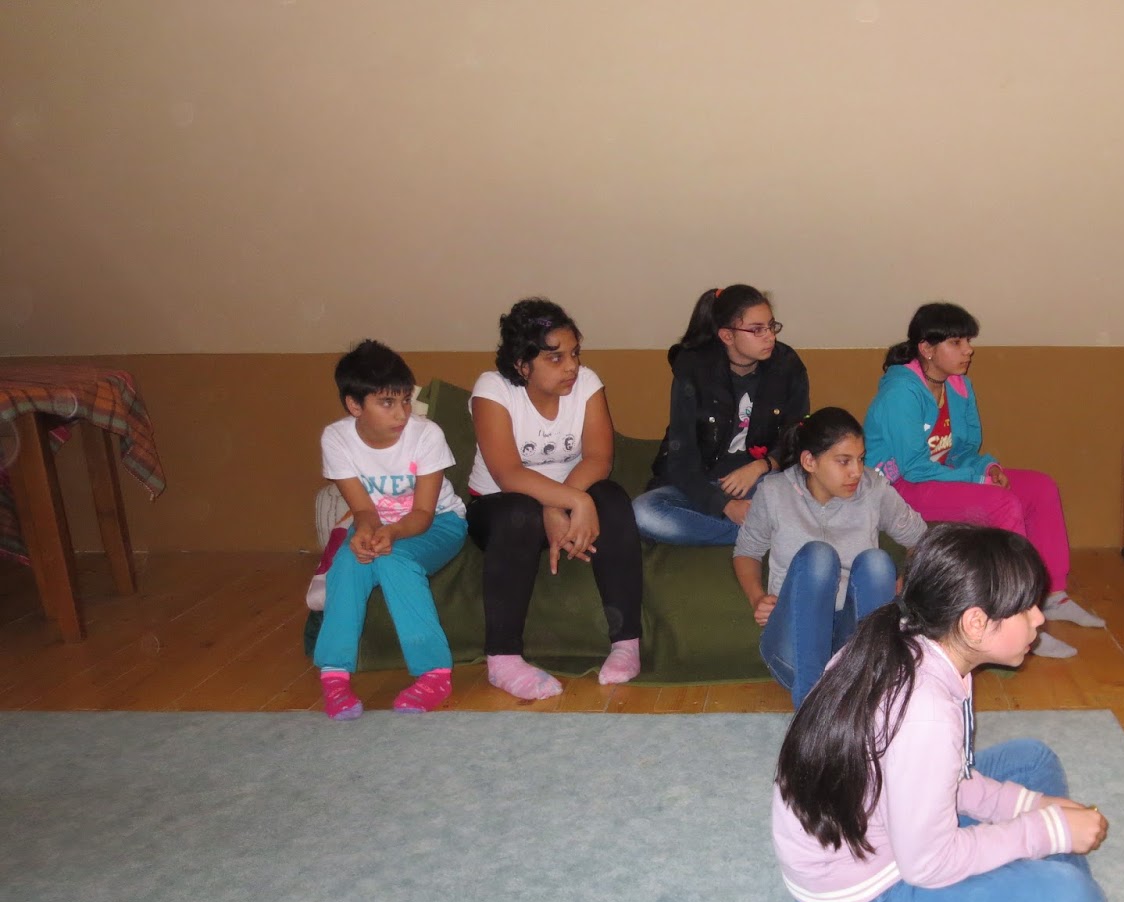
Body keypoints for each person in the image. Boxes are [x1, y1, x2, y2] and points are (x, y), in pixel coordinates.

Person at [771, 523, 1124, 902]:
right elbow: (928, 864)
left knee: (1032, 761)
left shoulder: (917, 643)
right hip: (860, 899)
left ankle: (1030, 895)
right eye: (1025, 608)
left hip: (889, 822)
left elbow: (947, 776)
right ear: (975, 623)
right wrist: (1044, 831)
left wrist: (1030, 806)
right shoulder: (924, 713)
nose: (1039, 619)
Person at [863, 302, 1104, 659]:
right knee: (1002, 504)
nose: (968, 350)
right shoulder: (901, 392)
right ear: (926, 349)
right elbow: (913, 468)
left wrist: (987, 468)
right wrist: (977, 478)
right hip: (899, 489)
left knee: (1040, 488)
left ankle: (1053, 595)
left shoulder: (958, 386)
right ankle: (1015, 615)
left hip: (941, 477)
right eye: (956, 343)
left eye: (968, 341)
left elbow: (964, 450)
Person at [467, 298, 643, 699]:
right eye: (555, 357)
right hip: (499, 506)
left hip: (566, 498)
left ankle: (626, 644)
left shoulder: (587, 384)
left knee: (611, 498)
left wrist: (561, 503)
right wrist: (571, 502)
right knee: (519, 513)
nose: (571, 367)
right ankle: (503, 659)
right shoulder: (492, 390)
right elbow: (508, 474)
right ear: (522, 365)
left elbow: (599, 457)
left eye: (575, 353)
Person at [314, 340, 468, 720]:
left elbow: (423, 513)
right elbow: (363, 509)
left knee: (395, 561)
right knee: (347, 565)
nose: (401, 413)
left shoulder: (426, 435)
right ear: (354, 406)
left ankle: (434, 673)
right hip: (378, 523)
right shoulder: (336, 439)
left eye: (405, 400)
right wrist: (366, 532)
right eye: (387, 403)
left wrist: (393, 534)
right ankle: (334, 676)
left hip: (439, 521)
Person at [734, 407, 926, 709]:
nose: (856, 472)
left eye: (860, 459)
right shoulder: (774, 492)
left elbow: (922, 540)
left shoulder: (873, 489)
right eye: (844, 461)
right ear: (809, 461)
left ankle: (869, 691)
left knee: (878, 563)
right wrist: (757, 597)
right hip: (793, 644)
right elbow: (747, 552)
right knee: (819, 557)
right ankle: (810, 707)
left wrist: (906, 583)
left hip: (850, 645)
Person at [634, 284, 809, 545]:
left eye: (772, 326)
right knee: (643, 512)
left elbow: (797, 437)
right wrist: (725, 505)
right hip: (701, 484)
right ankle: (761, 533)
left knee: (808, 495)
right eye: (757, 330)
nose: (770, 337)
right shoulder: (694, 370)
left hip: (761, 481)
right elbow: (682, 460)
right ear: (727, 336)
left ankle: (763, 526)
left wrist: (761, 466)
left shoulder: (787, 366)